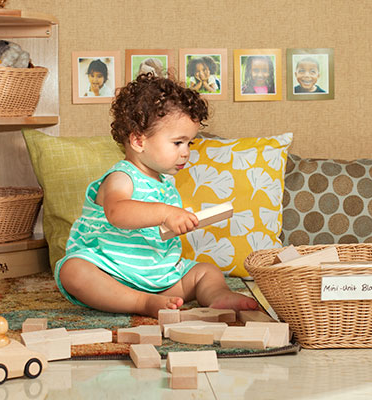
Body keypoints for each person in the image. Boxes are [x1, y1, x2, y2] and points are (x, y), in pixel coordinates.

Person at [56, 73, 259, 318]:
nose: (186, 153)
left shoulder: (165, 184)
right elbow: (117, 212)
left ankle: (217, 295)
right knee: (73, 271)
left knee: (206, 272)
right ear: (139, 141)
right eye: (177, 143)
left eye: (189, 144)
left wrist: (180, 223)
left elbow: (159, 233)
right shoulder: (121, 177)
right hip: (112, 273)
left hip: (160, 276)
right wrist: (166, 213)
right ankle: (141, 303)